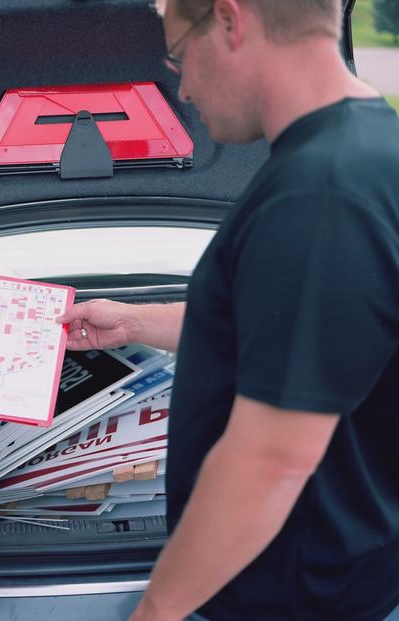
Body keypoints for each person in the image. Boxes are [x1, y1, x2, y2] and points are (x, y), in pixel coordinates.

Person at [58, 1, 399, 619]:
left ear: (230, 20)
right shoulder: (366, 146)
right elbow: (285, 327)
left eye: (180, 55)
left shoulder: (321, 196)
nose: (183, 88)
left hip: (294, 596)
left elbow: (271, 459)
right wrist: (135, 323)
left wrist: (158, 610)